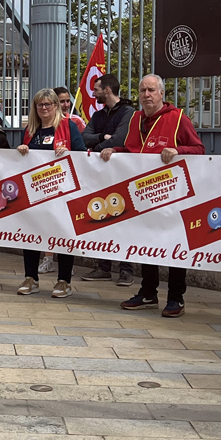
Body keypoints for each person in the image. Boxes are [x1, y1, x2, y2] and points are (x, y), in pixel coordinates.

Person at [101, 74, 204, 317]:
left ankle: (176, 298)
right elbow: (131, 149)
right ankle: (148, 293)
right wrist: (113, 150)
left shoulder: (177, 118)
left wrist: (177, 149)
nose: (146, 95)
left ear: (161, 94)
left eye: (151, 90)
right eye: (142, 90)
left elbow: (199, 149)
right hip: (143, 196)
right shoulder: (136, 118)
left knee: (175, 245)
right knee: (146, 244)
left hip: (173, 196)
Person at [16, 88, 85, 297]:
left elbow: (83, 155)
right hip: (34, 193)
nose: (44, 108)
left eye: (48, 104)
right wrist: (21, 151)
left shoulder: (68, 127)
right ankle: (31, 277)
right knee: (31, 233)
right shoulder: (30, 131)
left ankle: (64, 281)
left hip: (62, 193)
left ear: (56, 106)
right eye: (40, 105)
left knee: (63, 234)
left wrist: (69, 153)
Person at [80, 74, 136, 285]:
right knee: (101, 216)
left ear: (108, 90)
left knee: (123, 219)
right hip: (102, 175)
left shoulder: (128, 112)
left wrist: (96, 145)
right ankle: (103, 266)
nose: (93, 93)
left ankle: (126, 269)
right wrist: (102, 139)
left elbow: (121, 139)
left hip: (123, 174)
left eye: (97, 89)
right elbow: (84, 136)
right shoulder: (99, 114)